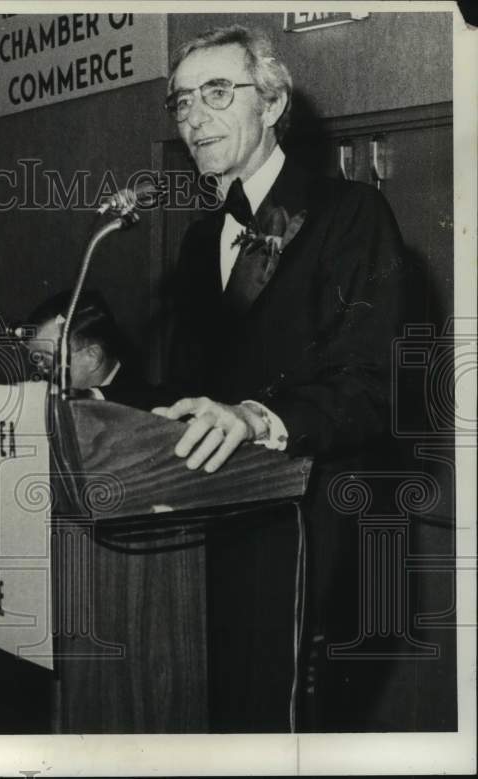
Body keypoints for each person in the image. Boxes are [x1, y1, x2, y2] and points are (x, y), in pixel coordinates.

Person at [150, 25, 408, 730]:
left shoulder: (351, 213)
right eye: (180, 102)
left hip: (310, 534)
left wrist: (257, 417)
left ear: (270, 103)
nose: (193, 116)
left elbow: (373, 386)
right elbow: (185, 387)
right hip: (211, 535)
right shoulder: (201, 239)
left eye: (216, 92)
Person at [25, 289, 145, 407]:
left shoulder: (146, 405)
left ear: (92, 357)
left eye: (47, 361)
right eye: (36, 358)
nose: (39, 370)